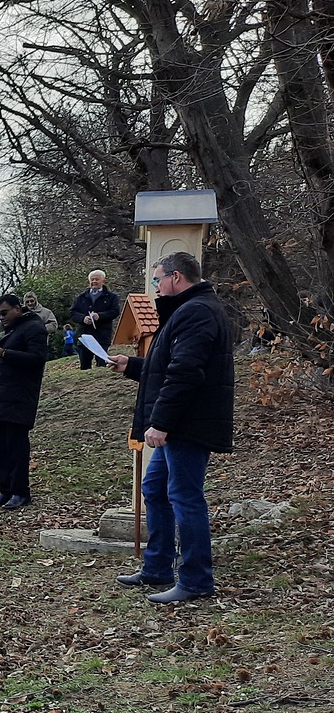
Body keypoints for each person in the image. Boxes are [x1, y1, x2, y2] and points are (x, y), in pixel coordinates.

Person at [107, 252, 235, 604]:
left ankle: (195, 580)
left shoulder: (197, 311)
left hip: (187, 424)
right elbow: (167, 365)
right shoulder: (187, 309)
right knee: (156, 489)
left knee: (185, 497)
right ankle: (158, 567)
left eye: (157, 279)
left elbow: (185, 372)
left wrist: (161, 423)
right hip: (182, 421)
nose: (156, 287)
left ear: (176, 277)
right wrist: (131, 365)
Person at [0, 294, 49, 509]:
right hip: (1, 398)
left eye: (5, 312)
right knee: (1, 448)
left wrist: (5, 354)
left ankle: (20, 492)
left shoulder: (34, 327)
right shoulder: (11, 331)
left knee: (16, 447)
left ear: (18, 308)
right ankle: (5, 490)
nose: (2, 317)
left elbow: (38, 359)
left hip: (19, 398)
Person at [70, 270, 121, 370]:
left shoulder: (111, 297)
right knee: (84, 365)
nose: (94, 282)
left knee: (102, 363)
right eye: (92, 279)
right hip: (85, 335)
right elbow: (72, 313)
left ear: (103, 281)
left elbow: (115, 312)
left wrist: (100, 316)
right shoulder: (81, 297)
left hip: (102, 335)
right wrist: (83, 318)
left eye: (97, 279)